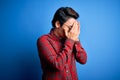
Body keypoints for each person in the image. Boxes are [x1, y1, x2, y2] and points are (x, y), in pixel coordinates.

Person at [37, 7, 87, 80]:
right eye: (70, 27)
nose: (72, 31)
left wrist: (76, 40)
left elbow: (83, 60)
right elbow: (57, 65)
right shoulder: (43, 40)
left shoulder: (71, 38)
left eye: (74, 28)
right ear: (58, 24)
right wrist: (70, 40)